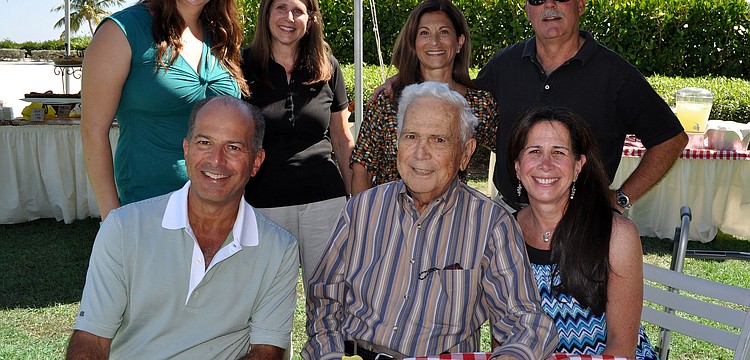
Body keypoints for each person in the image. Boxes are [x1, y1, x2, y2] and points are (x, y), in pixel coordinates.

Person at [302, 82, 558, 360]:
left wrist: (512, 356)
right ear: (397, 142)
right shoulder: (362, 208)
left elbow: (527, 322)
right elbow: (325, 298)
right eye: (411, 136)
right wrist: (329, 354)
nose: (420, 152)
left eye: (439, 140)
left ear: (465, 152)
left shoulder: (490, 224)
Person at [372, 0, 688, 213]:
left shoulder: (615, 74)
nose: (548, 6)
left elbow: (671, 138)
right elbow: (455, 99)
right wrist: (405, 79)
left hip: (582, 224)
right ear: (527, 10)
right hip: (512, 219)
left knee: (579, 314)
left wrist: (621, 197)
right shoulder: (504, 65)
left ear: (581, 4)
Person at [66, 96, 299, 360]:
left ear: (256, 161)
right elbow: (91, 338)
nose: (216, 160)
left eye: (233, 147)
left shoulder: (279, 248)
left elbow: (267, 351)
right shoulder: (123, 228)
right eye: (204, 143)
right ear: (186, 149)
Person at [508, 106, 656, 359]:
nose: (546, 164)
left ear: (578, 166)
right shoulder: (504, 233)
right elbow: (505, 335)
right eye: (535, 151)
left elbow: (623, 346)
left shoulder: (615, 235)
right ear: (518, 167)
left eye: (559, 152)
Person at [81, 0, 248, 220]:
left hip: (221, 207)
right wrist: (112, 219)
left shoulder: (221, 34)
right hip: (149, 207)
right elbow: (93, 132)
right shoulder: (122, 31)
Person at [241, 0, 354, 291]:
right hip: (264, 206)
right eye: (280, 7)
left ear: (311, 19)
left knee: (329, 300)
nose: (288, 17)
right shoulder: (242, 66)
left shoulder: (327, 67)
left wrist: (355, 200)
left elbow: (342, 140)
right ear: (266, 13)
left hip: (325, 202)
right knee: (269, 301)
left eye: (298, 11)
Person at [350, 0, 497, 194]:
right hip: (389, 216)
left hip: (451, 216)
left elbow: (509, 152)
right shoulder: (387, 101)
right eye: (424, 33)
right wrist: (365, 218)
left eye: (444, 32)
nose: (434, 41)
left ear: (459, 41)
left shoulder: (479, 104)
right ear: (413, 42)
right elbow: (362, 167)